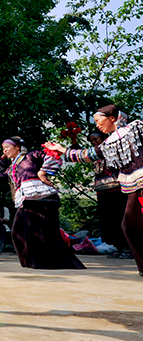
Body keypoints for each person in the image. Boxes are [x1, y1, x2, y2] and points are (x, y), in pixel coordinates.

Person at [45, 104, 143, 275]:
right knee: (129, 225)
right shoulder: (108, 143)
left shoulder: (136, 127)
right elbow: (86, 155)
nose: (97, 125)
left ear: (112, 118)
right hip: (132, 185)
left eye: (99, 121)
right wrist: (61, 150)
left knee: (132, 225)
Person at [0, 137, 85, 269]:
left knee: (43, 233)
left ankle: (46, 262)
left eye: (7, 146)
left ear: (17, 147)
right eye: (3, 148)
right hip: (27, 200)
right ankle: (34, 262)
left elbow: (53, 155)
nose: (4, 150)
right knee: (18, 232)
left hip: (43, 198)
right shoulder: (11, 168)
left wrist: (42, 172)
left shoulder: (32, 155)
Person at [86, 130, 131, 258]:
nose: (94, 142)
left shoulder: (111, 150)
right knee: (108, 221)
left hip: (116, 191)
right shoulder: (94, 154)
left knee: (119, 218)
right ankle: (118, 246)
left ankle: (128, 248)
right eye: (92, 141)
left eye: (96, 139)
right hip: (102, 192)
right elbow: (81, 156)